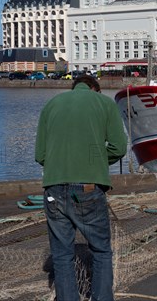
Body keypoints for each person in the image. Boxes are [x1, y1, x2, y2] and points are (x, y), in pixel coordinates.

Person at [35, 74, 127, 301]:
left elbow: (40, 155)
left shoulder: (51, 104)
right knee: (101, 251)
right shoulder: (104, 103)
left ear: (74, 87)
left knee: (61, 255)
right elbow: (119, 147)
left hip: (53, 190)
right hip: (88, 189)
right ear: (95, 88)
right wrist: (95, 162)